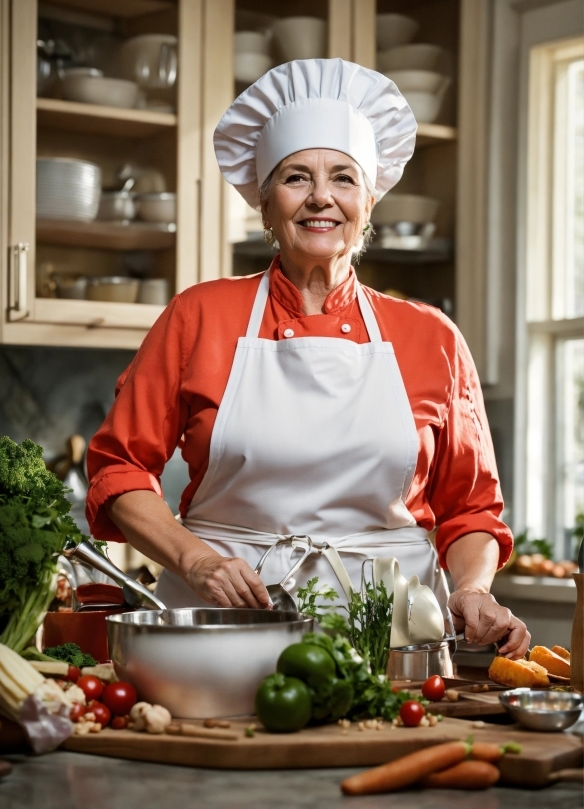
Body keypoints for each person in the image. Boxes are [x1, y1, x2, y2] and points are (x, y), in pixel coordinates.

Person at [87, 59, 530, 658]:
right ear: (265, 204)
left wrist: (473, 589)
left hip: (393, 642)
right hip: (226, 624)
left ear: (369, 201)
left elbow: (470, 508)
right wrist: (197, 561)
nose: (322, 197)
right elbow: (117, 471)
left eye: (343, 178)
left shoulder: (433, 337)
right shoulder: (199, 316)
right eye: (297, 177)